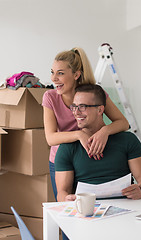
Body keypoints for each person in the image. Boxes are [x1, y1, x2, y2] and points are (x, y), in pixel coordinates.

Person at [42, 47, 130, 200]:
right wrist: (78, 134)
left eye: (60, 73)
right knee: (66, 205)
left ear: (76, 74)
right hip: (62, 160)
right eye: (52, 72)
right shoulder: (50, 97)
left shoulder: (93, 94)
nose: (54, 78)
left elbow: (123, 123)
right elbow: (50, 138)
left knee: (93, 207)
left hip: (89, 156)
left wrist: (105, 131)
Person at [55, 84, 141, 202]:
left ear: (100, 110)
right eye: (74, 106)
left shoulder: (128, 140)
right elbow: (62, 192)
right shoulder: (67, 147)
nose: (76, 112)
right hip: (87, 212)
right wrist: (66, 200)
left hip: (127, 209)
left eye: (82, 107)